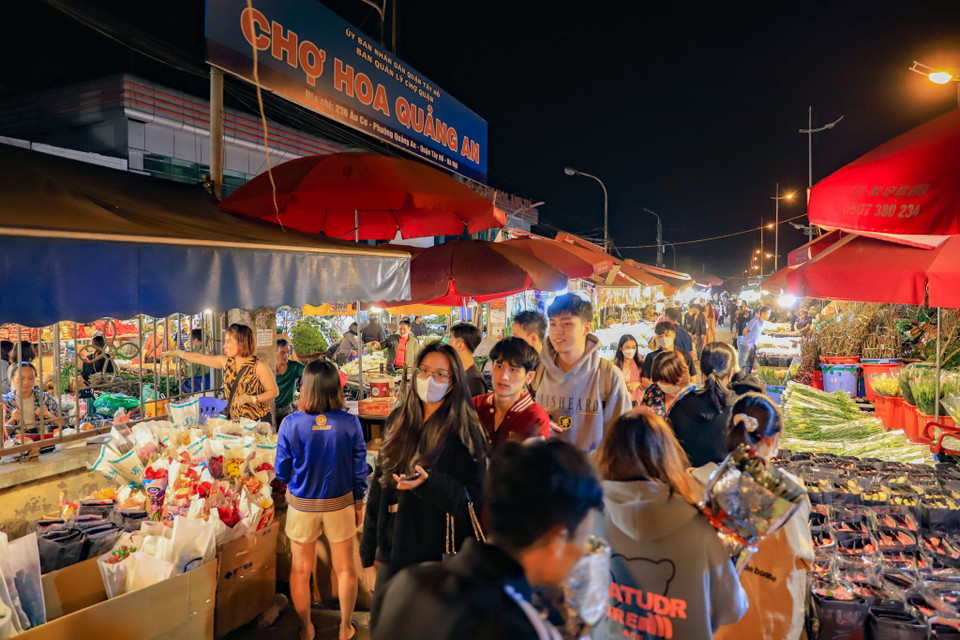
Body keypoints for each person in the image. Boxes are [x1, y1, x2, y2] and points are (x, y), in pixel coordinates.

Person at [371, 440, 603, 640]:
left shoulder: (409, 582)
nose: (583, 552)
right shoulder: (518, 628)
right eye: (584, 537)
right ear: (558, 539)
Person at [592, 410, 748, 640]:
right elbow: (732, 609)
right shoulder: (699, 528)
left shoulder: (590, 520)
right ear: (667, 457)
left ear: (606, 455)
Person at [360, 343, 488, 607]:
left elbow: (472, 499)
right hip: (392, 548)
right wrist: (368, 552)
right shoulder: (399, 419)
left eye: (441, 374)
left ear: (453, 382)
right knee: (384, 621)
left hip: (436, 555)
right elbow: (379, 488)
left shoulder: (465, 430)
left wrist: (430, 483)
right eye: (424, 371)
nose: (430, 379)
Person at [697, 393, 814, 640]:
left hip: (721, 618)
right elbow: (803, 557)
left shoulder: (709, 480)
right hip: (771, 619)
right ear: (773, 440)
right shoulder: (789, 491)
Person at [276, 359, 367, 640]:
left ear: (305, 387)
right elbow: (360, 470)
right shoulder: (350, 423)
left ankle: (307, 628)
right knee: (346, 569)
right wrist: (359, 503)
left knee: (300, 571)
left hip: (301, 505)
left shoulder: (290, 423)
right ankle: (345, 627)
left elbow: (281, 471)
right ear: (335, 388)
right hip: (340, 503)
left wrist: (293, 484)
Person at [533, 293, 631, 453]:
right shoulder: (538, 372)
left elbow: (621, 439)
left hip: (590, 467)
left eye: (566, 323)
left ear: (586, 328)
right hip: (544, 466)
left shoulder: (609, 376)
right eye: (553, 323)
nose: (557, 331)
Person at [669, 341, 763, 467]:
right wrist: (737, 370)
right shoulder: (742, 407)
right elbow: (755, 394)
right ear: (730, 373)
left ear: (702, 371)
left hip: (690, 477)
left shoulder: (681, 406)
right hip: (730, 477)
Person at [164, 323, 279, 422]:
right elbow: (200, 358)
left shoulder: (259, 366)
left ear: (241, 343)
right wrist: (178, 353)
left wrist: (253, 399)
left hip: (257, 421)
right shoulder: (227, 362)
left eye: (228, 342)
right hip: (235, 421)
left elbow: (274, 391)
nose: (224, 346)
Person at [472, 337, 551, 447]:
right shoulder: (475, 405)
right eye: (499, 366)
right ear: (491, 367)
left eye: (514, 370)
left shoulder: (535, 418)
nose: (504, 376)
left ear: (529, 377)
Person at [3, 363, 64, 435]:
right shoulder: (5, 402)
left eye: (31, 378)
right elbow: (2, 434)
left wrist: (49, 415)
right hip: (16, 441)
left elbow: (63, 424)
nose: (26, 382)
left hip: (42, 439)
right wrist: (12, 420)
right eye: (21, 378)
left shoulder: (45, 398)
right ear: (12, 378)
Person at [640, 321, 696, 389]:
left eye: (667, 335)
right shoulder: (652, 357)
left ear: (674, 335)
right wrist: (663, 388)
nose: (664, 338)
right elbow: (645, 381)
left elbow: (693, 379)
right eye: (660, 336)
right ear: (657, 337)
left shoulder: (684, 355)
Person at [639, 350, 696, 417]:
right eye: (661, 382)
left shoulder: (695, 397)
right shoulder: (653, 391)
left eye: (669, 382)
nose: (665, 385)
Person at [78, 335, 116, 415]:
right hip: (106, 392)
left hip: (91, 392)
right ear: (104, 345)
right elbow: (113, 373)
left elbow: (84, 375)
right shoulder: (107, 357)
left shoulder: (88, 358)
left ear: (92, 346)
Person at [449, 323, 487, 397]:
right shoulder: (461, 372)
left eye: (451, 340)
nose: (448, 344)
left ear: (460, 345)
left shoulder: (474, 381)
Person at [275, 338, 305, 424]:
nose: (286, 356)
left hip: (286, 409)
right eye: (282, 353)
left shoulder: (295, 367)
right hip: (269, 409)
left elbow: (310, 374)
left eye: (288, 352)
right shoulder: (267, 368)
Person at [613, 334, 644, 405]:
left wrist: (638, 384)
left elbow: (646, 385)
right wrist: (625, 386)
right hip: (622, 403)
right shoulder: (615, 367)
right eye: (627, 347)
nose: (631, 350)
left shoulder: (641, 364)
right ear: (621, 348)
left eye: (633, 347)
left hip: (639, 403)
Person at [739, 305, 771, 374]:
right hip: (747, 345)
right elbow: (745, 331)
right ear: (763, 313)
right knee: (742, 363)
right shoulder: (755, 321)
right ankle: (737, 378)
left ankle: (747, 377)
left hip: (753, 345)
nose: (769, 315)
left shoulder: (762, 322)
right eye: (768, 313)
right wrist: (748, 339)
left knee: (750, 364)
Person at [181, 329, 211, 394]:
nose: (190, 343)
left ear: (196, 340)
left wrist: (183, 363)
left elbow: (190, 374)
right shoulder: (207, 351)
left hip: (197, 388)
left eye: (191, 340)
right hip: (207, 386)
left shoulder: (196, 354)